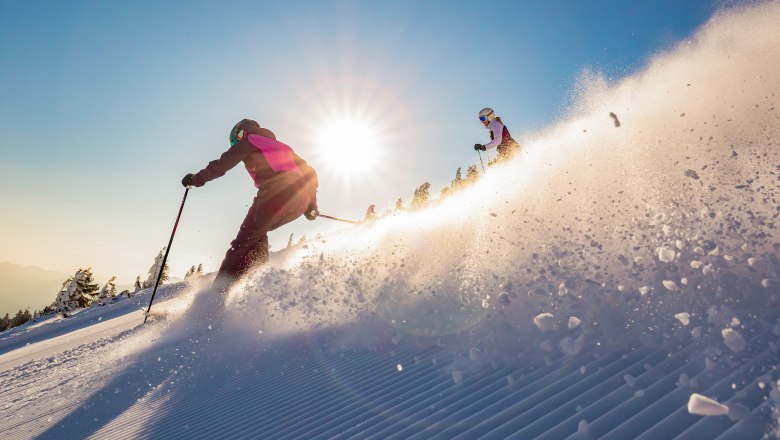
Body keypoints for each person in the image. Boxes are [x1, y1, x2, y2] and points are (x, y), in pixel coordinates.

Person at [182, 119, 319, 289]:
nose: (237, 142)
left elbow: (223, 164)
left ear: (244, 132)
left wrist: (195, 179)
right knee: (257, 236)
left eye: (237, 137)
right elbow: (310, 173)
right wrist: (311, 204)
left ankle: (216, 297)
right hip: (298, 201)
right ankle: (259, 284)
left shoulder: (251, 139)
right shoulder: (280, 146)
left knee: (243, 242)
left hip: (276, 194)